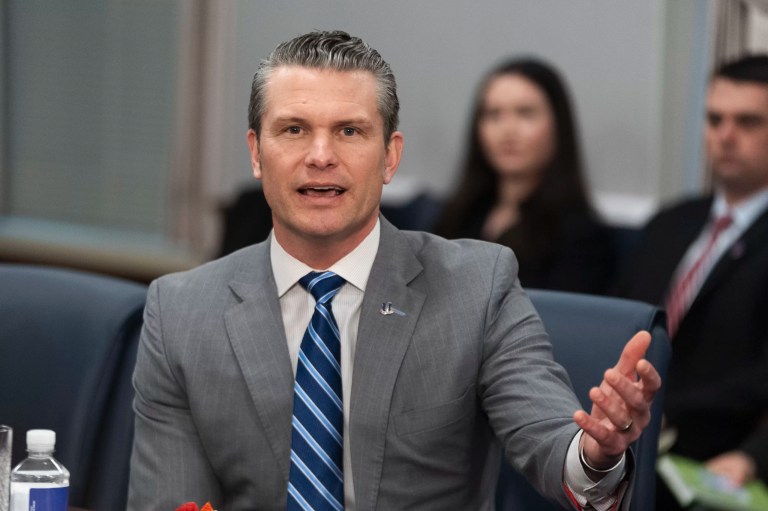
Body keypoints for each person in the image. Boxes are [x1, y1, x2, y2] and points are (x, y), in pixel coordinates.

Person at [128, 30, 660, 511]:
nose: (320, 156)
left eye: (349, 132)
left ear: (389, 157)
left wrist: (594, 454)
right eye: (293, 129)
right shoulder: (181, 311)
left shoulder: (478, 285)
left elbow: (549, 438)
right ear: (256, 153)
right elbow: (172, 501)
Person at [614, 54, 768, 509]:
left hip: (713, 455)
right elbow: (618, 320)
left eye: (748, 121)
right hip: (622, 436)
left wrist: (753, 457)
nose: (725, 135)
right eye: (715, 119)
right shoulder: (670, 224)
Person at [434, 58, 615, 294]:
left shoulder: (583, 240)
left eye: (525, 113)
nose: (507, 130)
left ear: (558, 125)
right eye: (493, 114)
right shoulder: (457, 215)